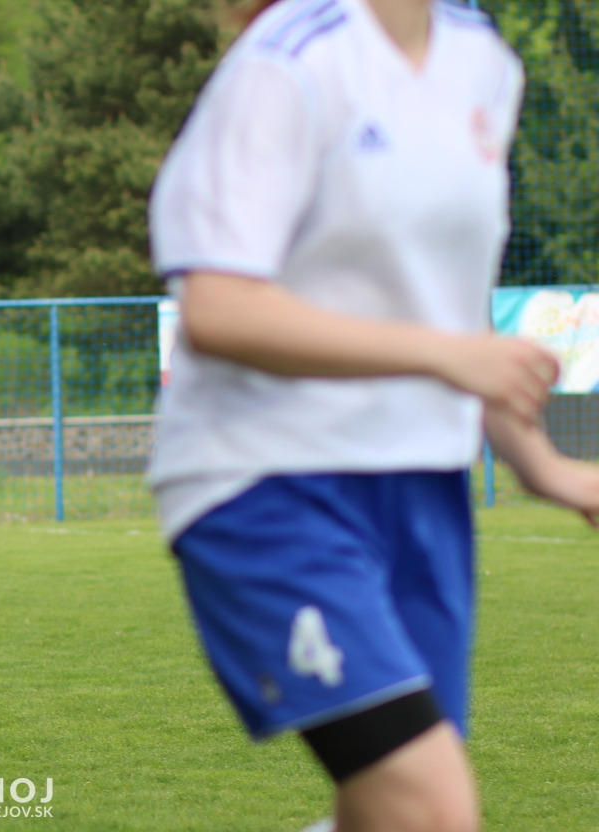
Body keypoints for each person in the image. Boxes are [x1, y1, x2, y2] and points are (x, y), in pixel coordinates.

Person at [147, 0, 599, 830]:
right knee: (432, 808)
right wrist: (441, 355)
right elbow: (219, 307)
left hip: (421, 487)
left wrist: (543, 466)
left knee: (388, 814)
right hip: (265, 483)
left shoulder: (483, 63)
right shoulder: (285, 63)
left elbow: (452, 311)